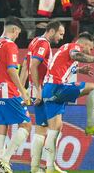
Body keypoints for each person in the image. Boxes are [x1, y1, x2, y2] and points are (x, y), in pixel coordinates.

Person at [42, 32, 94, 173]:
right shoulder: (74, 47)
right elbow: (75, 55)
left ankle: (49, 166)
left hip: (48, 90)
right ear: (84, 44)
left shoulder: (64, 48)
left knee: (55, 128)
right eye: (90, 48)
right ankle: (91, 125)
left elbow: (62, 65)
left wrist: (79, 69)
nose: (90, 51)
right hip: (57, 87)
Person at [0, 16, 31, 173]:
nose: (18, 36)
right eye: (18, 33)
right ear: (14, 29)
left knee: (1, 130)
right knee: (26, 124)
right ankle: (5, 159)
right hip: (8, 92)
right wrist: (23, 91)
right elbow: (12, 70)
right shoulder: (10, 45)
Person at [19, 20, 66, 173]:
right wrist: (39, 89)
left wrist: (23, 89)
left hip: (36, 90)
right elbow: (32, 65)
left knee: (41, 129)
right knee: (56, 126)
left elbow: (26, 65)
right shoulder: (43, 43)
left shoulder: (34, 41)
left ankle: (35, 167)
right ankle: (50, 165)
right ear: (51, 31)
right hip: (43, 91)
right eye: (60, 34)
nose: (61, 38)